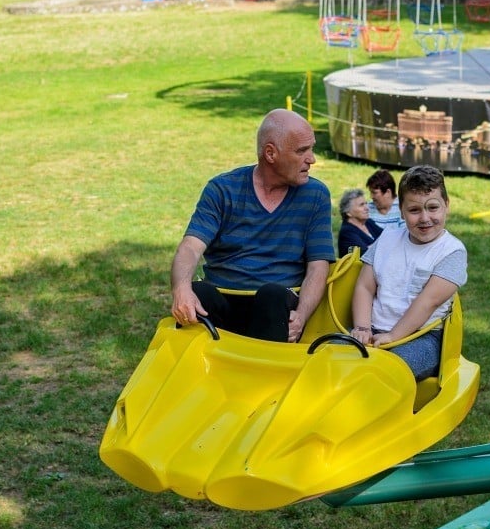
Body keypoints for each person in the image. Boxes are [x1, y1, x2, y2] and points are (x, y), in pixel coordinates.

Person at [171, 109, 336, 343]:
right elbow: (190, 248)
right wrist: (181, 289)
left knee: (272, 295)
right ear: (271, 153)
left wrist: (301, 316)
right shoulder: (222, 190)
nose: (312, 159)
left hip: (277, 305)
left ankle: (265, 377)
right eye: (301, 151)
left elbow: (318, 267)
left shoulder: (316, 195)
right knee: (198, 293)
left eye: (311, 148)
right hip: (225, 298)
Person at [350, 165, 467, 381]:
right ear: (401, 211)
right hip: (374, 327)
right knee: (331, 356)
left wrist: (393, 337)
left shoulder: (452, 252)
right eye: (414, 210)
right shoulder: (387, 238)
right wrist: (362, 327)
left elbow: (427, 302)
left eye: (433, 208)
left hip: (422, 337)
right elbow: (364, 286)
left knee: (386, 371)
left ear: (446, 206)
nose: (425, 218)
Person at [337, 188, 384, 257]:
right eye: (361, 205)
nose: (367, 208)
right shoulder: (346, 232)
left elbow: (386, 236)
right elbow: (366, 254)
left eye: (366, 203)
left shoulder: (368, 222)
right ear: (348, 212)